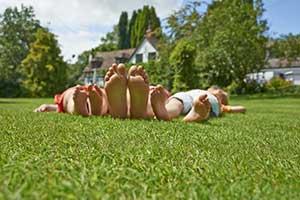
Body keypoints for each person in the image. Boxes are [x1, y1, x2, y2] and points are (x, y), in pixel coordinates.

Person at [149, 85, 246, 122]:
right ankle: (165, 112)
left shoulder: (219, 105)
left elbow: (242, 108)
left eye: (221, 97)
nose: (219, 95)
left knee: (178, 102)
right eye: (218, 93)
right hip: (186, 97)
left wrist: (227, 108)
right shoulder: (202, 92)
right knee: (177, 102)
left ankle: (195, 114)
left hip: (201, 103)